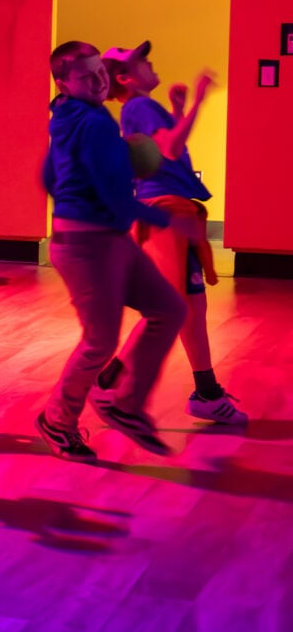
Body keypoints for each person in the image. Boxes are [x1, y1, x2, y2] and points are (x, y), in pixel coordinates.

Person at [36, 41, 196, 462]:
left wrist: (74, 197)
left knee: (168, 309)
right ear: (63, 83)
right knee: (98, 342)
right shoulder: (94, 123)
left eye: (99, 71)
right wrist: (169, 220)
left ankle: (123, 404)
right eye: (86, 76)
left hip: (103, 238)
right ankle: (57, 419)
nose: (98, 79)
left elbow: (48, 175)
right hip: (87, 245)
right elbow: (115, 200)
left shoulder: (69, 115)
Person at [102, 41, 247, 425]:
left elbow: (163, 150)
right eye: (143, 61)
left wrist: (179, 110)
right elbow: (169, 149)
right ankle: (200, 392)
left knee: (183, 306)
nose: (151, 64)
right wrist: (199, 100)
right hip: (164, 211)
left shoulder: (141, 108)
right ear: (126, 77)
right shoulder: (140, 106)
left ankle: (202, 390)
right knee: (176, 308)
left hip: (162, 210)